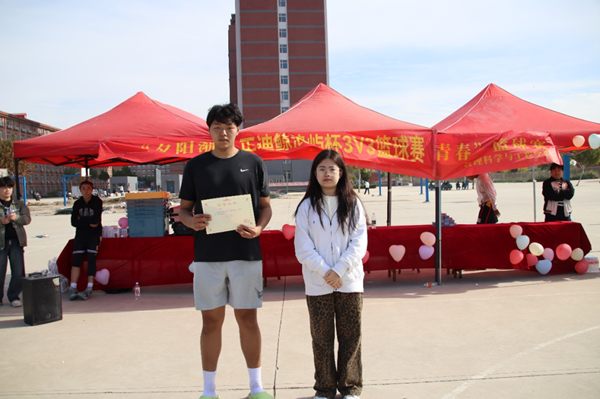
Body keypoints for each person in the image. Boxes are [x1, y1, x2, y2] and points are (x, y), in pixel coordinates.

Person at [178, 103, 274, 399]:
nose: (223, 132)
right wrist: (190, 222)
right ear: (209, 130)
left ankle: (256, 388)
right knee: (211, 322)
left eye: (229, 127)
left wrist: (259, 229)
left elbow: (266, 208)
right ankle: (209, 392)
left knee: (248, 319)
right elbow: (182, 211)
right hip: (208, 257)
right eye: (217, 127)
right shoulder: (195, 166)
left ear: (238, 129)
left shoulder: (254, 162)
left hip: (246, 254)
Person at [294, 149, 368, 399]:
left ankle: (350, 387)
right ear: (314, 174)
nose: (327, 173)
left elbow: (359, 243)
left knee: (351, 336)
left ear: (341, 173)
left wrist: (339, 270)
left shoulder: (353, 203)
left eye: (332, 169)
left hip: (349, 282)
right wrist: (326, 272)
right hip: (318, 284)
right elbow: (303, 248)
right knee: (322, 338)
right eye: (322, 169)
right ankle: (324, 389)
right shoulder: (306, 207)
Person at [68, 180, 103, 300]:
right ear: (80, 190)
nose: (86, 191)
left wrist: (81, 221)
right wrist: (87, 224)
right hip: (80, 236)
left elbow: (95, 220)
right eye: (83, 188)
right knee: (76, 260)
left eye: (88, 188)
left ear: (92, 190)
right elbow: (73, 222)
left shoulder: (97, 202)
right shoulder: (77, 203)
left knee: (91, 260)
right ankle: (73, 287)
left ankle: (89, 287)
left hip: (93, 236)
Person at [0, 177, 31, 307]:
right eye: (4, 187)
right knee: (0, 271)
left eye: (9, 187)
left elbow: (27, 219)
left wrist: (16, 218)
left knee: (18, 270)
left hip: (16, 241)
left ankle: (14, 296)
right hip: (1, 243)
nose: (7, 190)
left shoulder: (19, 204)